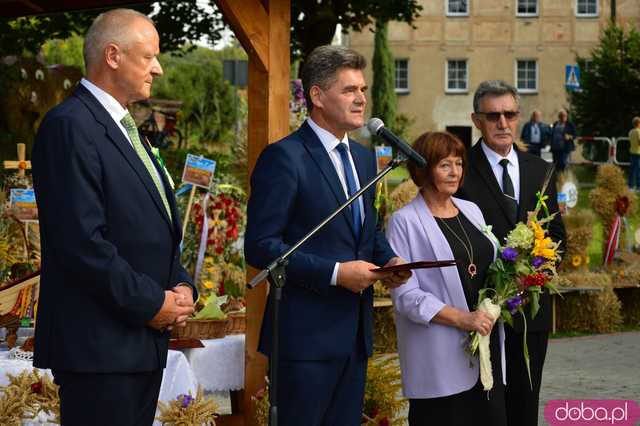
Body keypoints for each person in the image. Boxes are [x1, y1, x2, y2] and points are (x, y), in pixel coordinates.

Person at [32, 9, 196, 426]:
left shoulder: (125, 127)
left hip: (137, 344)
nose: (157, 69)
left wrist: (179, 283)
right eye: (148, 57)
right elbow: (81, 243)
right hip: (99, 349)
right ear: (112, 55)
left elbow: (151, 225)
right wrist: (149, 302)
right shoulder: (70, 126)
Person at [244, 45, 410, 426]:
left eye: (363, 89)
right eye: (349, 90)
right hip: (305, 340)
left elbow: (366, 231)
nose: (361, 99)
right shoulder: (285, 157)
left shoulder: (366, 159)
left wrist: (390, 261)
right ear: (317, 96)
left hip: (354, 337)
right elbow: (261, 246)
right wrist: (336, 273)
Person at [457, 80, 566, 426]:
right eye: (493, 116)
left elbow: (558, 237)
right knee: (486, 408)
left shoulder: (540, 169)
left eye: (510, 114)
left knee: (525, 405)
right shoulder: (460, 169)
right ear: (477, 120)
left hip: (530, 313)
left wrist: (536, 271)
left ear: (519, 117)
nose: (502, 123)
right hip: (479, 311)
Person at [387, 131, 507, 426]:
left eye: (459, 163)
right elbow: (407, 297)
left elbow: (491, 269)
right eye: (444, 165)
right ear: (423, 169)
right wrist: (464, 319)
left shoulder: (472, 210)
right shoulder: (405, 221)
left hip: (484, 350)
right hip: (438, 358)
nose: (455, 172)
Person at [627, 116, 640, 190]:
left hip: (632, 152)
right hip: (638, 152)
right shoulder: (639, 131)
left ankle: (630, 186)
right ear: (638, 123)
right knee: (638, 170)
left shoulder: (630, 132)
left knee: (632, 170)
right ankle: (638, 186)